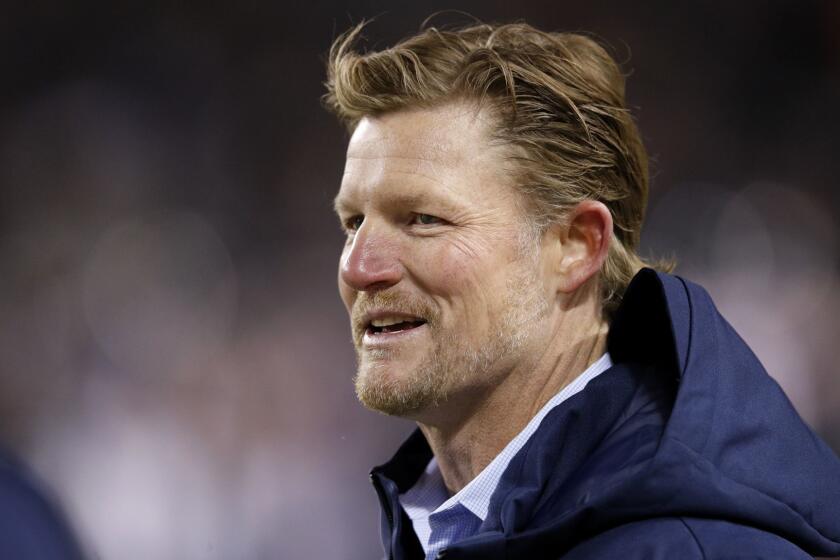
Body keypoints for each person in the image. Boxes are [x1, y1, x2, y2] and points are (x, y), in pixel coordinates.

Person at [324, 20, 840, 560]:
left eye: (423, 219)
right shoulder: (446, 521)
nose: (360, 268)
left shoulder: (696, 548)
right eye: (353, 222)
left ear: (575, 246)